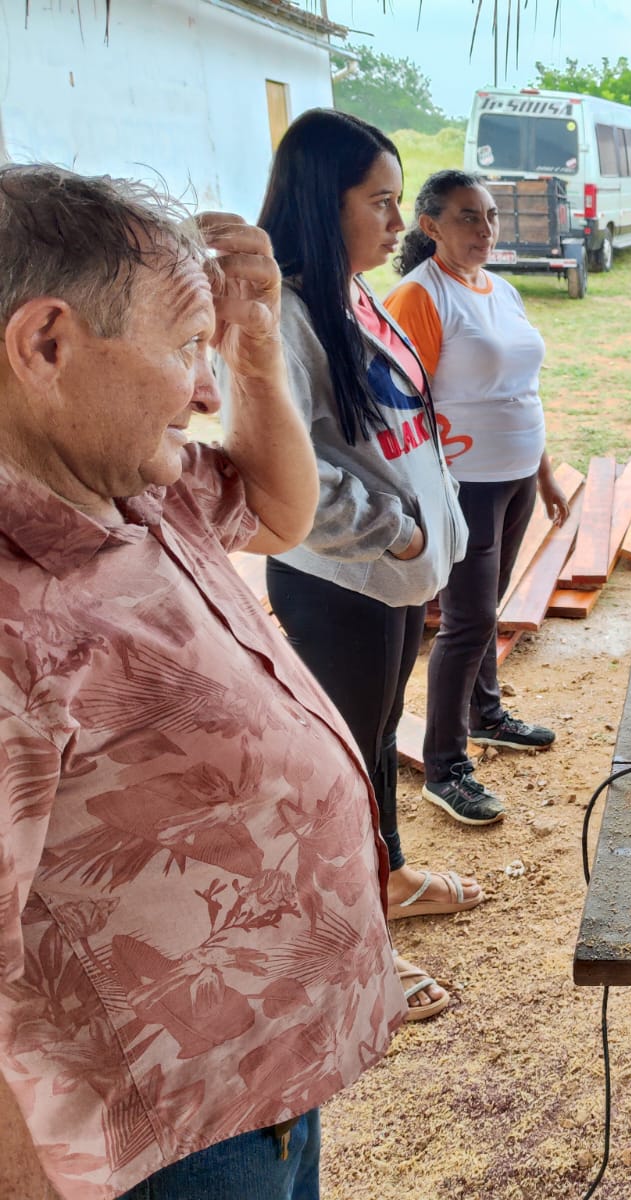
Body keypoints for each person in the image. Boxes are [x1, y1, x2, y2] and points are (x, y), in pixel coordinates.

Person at [0, 166, 402, 1198]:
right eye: (187, 349)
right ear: (47, 346)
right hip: (162, 1148)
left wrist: (253, 343)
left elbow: (279, 508)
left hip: (255, 1084)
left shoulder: (128, 485)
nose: (207, 390)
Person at [258, 109, 471, 1017]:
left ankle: (383, 881)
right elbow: (286, 473)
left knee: (378, 744)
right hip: (339, 582)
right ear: (321, 201)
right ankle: (354, 954)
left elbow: (395, 429)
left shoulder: (355, 293)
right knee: (340, 765)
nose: (400, 223)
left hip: (392, 577)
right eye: (380, 203)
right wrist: (398, 532)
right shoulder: (282, 316)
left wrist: (426, 539)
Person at [385, 170, 570, 822]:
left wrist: (544, 474)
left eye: (489, 216)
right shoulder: (418, 296)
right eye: (467, 216)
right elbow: (399, 407)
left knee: (487, 609)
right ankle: (446, 767)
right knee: (464, 625)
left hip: (515, 475)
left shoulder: (502, 289)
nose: (484, 229)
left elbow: (523, 391)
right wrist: (423, 494)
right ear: (429, 225)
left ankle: (485, 715)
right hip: (464, 486)